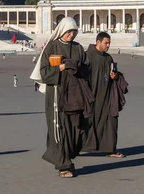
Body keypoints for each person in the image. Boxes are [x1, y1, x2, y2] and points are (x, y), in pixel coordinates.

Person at [30, 17, 93, 178]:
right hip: (57, 95)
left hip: (75, 94)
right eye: (68, 32)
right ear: (61, 30)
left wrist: (77, 67)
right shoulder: (52, 46)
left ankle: (66, 158)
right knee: (60, 128)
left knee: (76, 128)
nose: (71, 35)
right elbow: (44, 72)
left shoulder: (78, 48)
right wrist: (62, 67)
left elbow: (87, 69)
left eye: (73, 32)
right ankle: (63, 165)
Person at [83, 32, 129, 158]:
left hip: (107, 97)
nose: (108, 45)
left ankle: (111, 149)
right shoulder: (87, 57)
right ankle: (76, 148)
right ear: (97, 42)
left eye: (109, 43)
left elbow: (114, 73)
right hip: (92, 97)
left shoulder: (108, 58)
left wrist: (115, 76)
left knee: (111, 123)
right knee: (86, 123)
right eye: (106, 43)